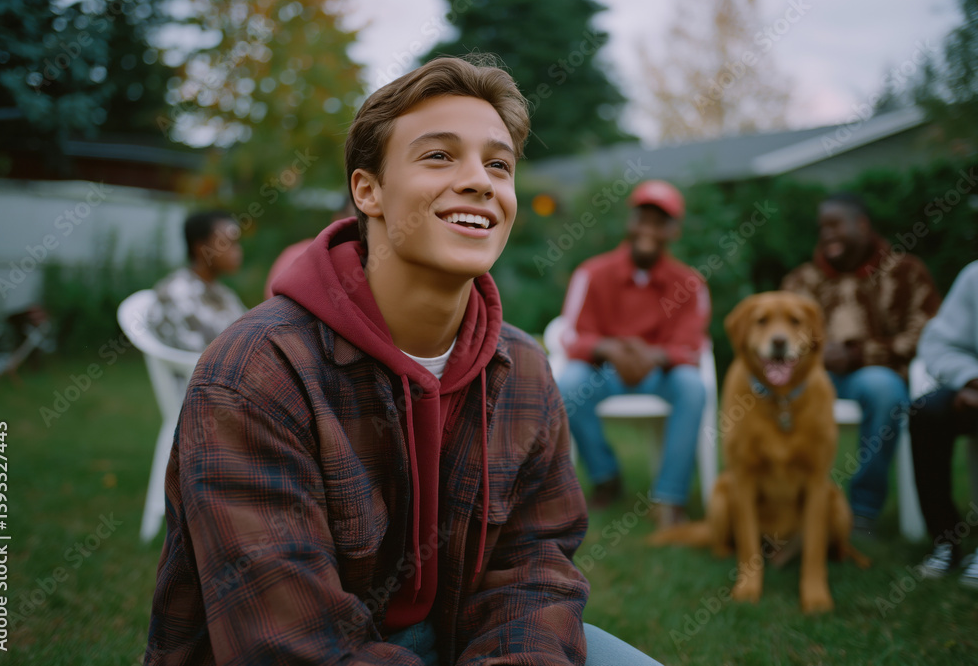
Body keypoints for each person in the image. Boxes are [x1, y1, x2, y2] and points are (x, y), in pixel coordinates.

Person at [146, 57, 661, 665]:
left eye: (499, 164)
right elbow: (292, 646)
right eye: (439, 156)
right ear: (368, 191)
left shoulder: (522, 367)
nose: (480, 181)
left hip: (459, 640)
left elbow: (535, 565)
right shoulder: (254, 375)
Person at [781, 192, 941, 535]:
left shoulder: (905, 272)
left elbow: (925, 334)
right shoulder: (801, 281)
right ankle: (783, 504)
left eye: (835, 225)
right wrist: (813, 354)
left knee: (882, 388)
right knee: (766, 384)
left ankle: (862, 511)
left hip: (872, 377)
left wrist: (858, 355)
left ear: (862, 225)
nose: (827, 235)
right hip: (812, 377)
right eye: (822, 227)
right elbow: (779, 335)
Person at [556, 180, 710, 525]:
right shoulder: (592, 273)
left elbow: (690, 346)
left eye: (660, 223)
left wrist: (651, 356)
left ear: (674, 231)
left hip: (660, 374)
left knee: (693, 387)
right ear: (631, 222)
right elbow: (570, 334)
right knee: (568, 385)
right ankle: (605, 476)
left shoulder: (690, 284)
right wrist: (607, 347)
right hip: (605, 371)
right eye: (643, 219)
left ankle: (670, 499)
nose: (649, 230)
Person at [910, 260, 978, 587]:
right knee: (928, 412)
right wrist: (969, 378)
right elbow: (938, 344)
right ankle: (946, 540)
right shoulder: (974, 277)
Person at [148, 210, 247, 353]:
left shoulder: (222, 293)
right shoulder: (176, 293)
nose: (238, 251)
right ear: (202, 248)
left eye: (237, 243)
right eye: (229, 243)